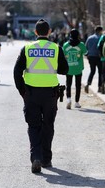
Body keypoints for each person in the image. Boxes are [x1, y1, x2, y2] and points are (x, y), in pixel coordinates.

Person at [13, 19, 68, 173]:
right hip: (50, 94)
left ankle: (36, 157)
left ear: (35, 32)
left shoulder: (27, 48)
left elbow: (17, 72)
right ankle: (46, 159)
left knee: (33, 126)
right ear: (49, 32)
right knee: (48, 125)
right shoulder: (56, 48)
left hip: (31, 93)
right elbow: (64, 69)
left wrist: (22, 91)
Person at [63, 29, 87, 109]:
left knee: (68, 84)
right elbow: (86, 53)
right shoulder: (81, 45)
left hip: (68, 68)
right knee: (78, 85)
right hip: (78, 68)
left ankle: (69, 99)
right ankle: (77, 102)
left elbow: (63, 55)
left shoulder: (66, 45)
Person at [84, 26, 103, 93]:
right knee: (100, 72)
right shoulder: (100, 38)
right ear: (100, 31)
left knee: (92, 71)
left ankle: (88, 84)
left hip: (91, 57)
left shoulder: (89, 38)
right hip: (98, 57)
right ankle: (100, 87)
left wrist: (87, 54)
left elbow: (86, 47)